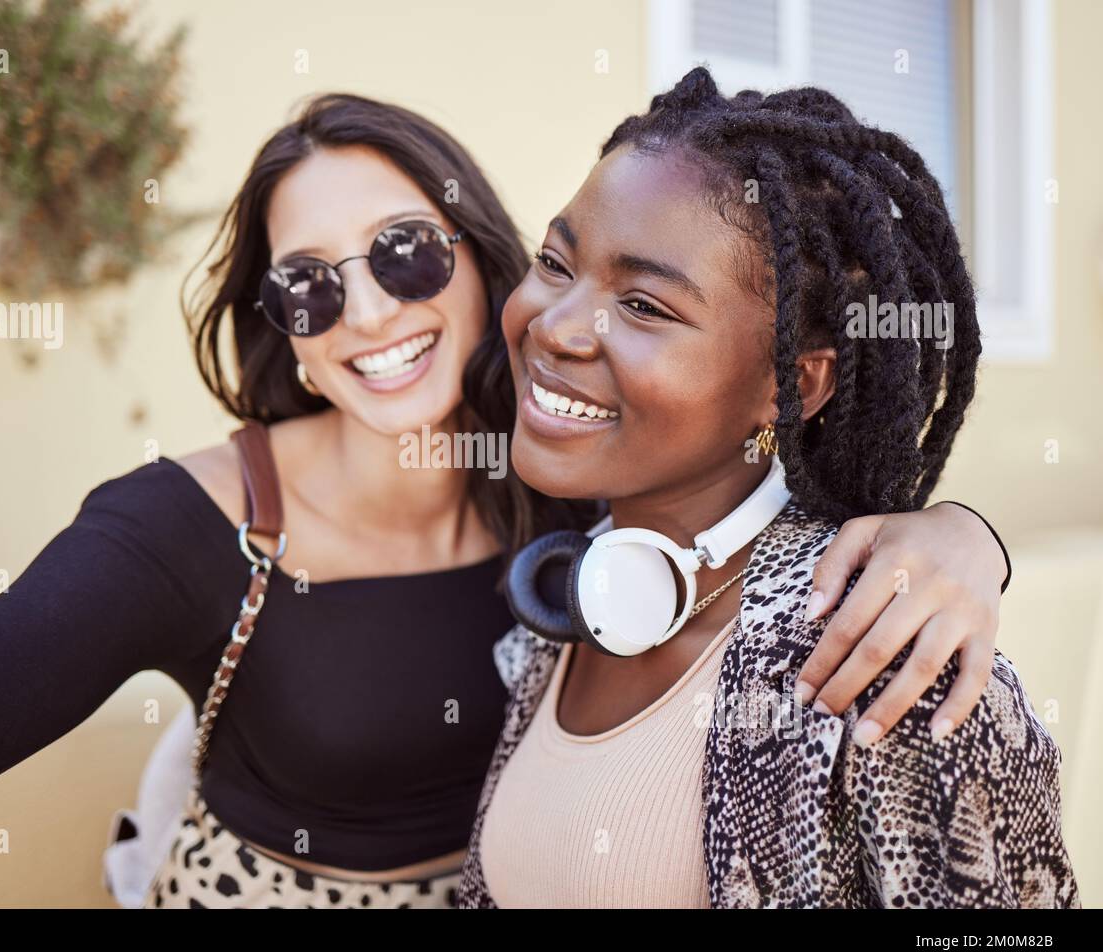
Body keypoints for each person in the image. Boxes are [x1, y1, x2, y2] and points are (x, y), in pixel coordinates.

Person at [0, 92, 1013, 909]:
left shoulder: (570, 485)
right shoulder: (178, 528)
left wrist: (963, 535)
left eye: (403, 253)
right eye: (308, 287)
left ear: (478, 254)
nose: (370, 316)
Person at [458, 68, 1078, 909]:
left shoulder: (884, 659)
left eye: (644, 305)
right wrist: (968, 529)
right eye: (556, 261)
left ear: (794, 387)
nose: (559, 326)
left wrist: (967, 537)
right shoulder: (563, 602)